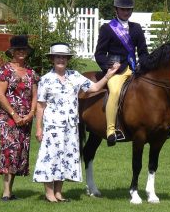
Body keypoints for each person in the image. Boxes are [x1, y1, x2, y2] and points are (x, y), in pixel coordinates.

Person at [33, 42, 120, 203]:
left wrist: (109, 75)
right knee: (50, 158)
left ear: (67, 59)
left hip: (70, 126)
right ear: (52, 59)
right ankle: (49, 194)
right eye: (58, 57)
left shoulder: (74, 76)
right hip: (53, 125)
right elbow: (40, 106)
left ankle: (59, 193)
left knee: (65, 158)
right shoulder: (46, 80)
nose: (61, 60)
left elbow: (93, 88)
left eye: (64, 57)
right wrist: (39, 128)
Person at [94, 0, 149, 147]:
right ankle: (111, 130)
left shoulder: (136, 28)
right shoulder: (107, 28)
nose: (126, 12)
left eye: (129, 9)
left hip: (134, 70)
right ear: (116, 10)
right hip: (116, 71)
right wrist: (110, 67)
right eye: (123, 9)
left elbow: (143, 53)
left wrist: (143, 65)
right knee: (116, 92)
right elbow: (99, 54)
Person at [0, 35, 39, 201]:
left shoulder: (31, 73)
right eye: (18, 49)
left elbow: (35, 96)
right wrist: (14, 114)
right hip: (8, 117)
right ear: (12, 52)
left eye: (24, 49)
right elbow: (0, 95)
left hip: (26, 118)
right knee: (9, 150)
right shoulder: (5, 70)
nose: (21, 52)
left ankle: (11, 191)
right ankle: (6, 192)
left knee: (19, 152)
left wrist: (30, 114)